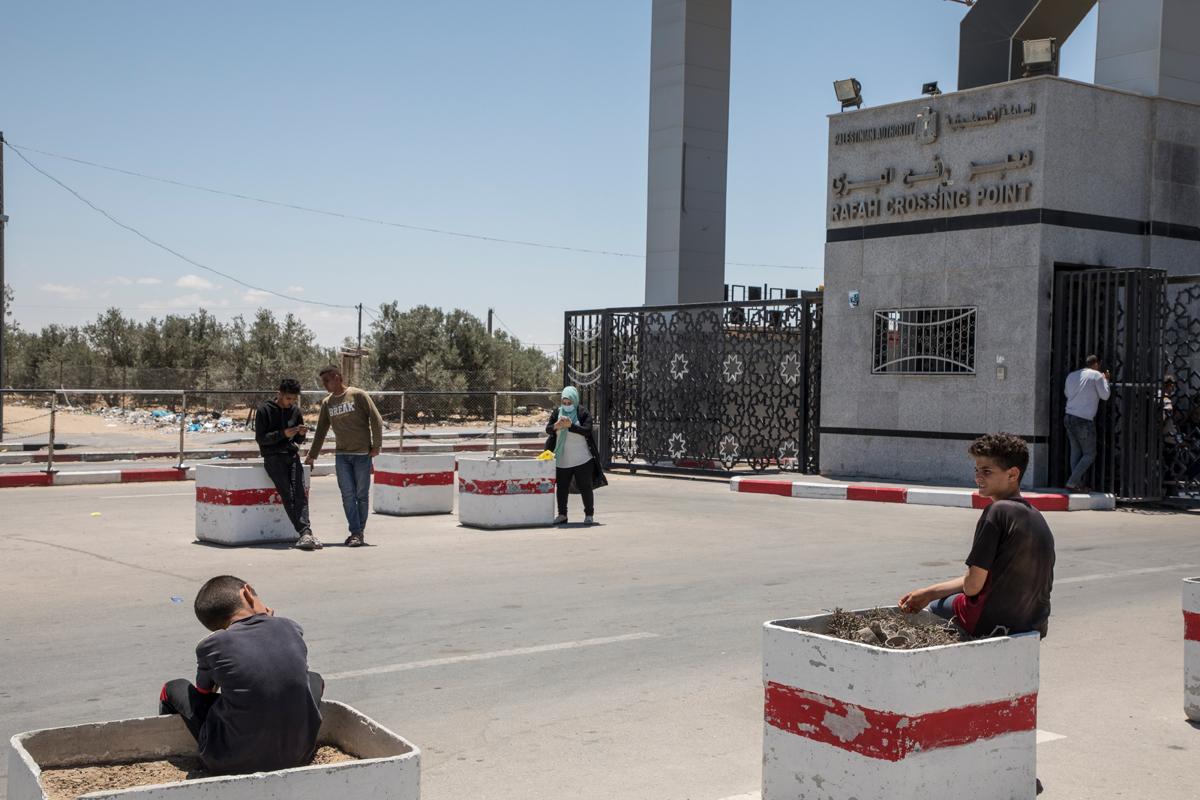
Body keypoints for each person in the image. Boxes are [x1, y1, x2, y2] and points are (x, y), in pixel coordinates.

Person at [158, 576, 323, 775]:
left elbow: (204, 692)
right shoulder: (291, 627)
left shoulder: (212, 645)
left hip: (227, 761)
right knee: (313, 679)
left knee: (173, 687)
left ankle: (171, 747)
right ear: (247, 592)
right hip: (300, 753)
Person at [899, 432, 1056, 639]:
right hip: (1032, 622)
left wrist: (931, 598)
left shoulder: (997, 512)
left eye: (987, 471)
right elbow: (982, 578)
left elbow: (973, 587)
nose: (977, 477)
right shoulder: (1036, 516)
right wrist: (929, 592)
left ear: (1012, 474)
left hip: (990, 622)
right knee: (938, 598)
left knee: (934, 610)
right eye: (976, 470)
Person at [304, 365, 383, 547]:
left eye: (327, 380)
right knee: (347, 495)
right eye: (323, 381)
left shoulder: (358, 395)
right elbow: (321, 431)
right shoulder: (327, 403)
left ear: (337, 377)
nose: (325, 384)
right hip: (342, 456)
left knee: (361, 495)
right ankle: (355, 532)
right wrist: (312, 455)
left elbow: (376, 419)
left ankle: (358, 533)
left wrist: (376, 445)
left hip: (362, 453)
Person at [255, 379, 319, 551]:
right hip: (273, 458)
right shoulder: (264, 410)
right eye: (288, 399)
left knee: (300, 494)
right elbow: (261, 439)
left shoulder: (295, 411)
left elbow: (297, 440)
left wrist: (301, 434)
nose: (291, 403)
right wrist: (282, 434)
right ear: (280, 394)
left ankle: (306, 533)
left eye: (293, 399)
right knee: (287, 494)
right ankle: (305, 532)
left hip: (292, 456)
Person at [545, 386, 607, 525]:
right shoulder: (557, 413)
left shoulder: (582, 412)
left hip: (582, 459)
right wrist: (556, 426)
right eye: (564, 403)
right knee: (561, 488)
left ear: (575, 401)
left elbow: (587, 430)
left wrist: (570, 425)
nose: (566, 406)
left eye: (569, 403)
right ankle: (562, 515)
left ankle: (589, 514)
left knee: (585, 486)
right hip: (562, 459)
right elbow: (548, 429)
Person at [1063, 354, 1111, 493]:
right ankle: (1072, 482)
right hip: (1083, 419)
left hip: (1069, 416)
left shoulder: (1072, 375)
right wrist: (1106, 380)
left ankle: (1076, 484)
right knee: (1090, 454)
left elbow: (1067, 393)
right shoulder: (1097, 375)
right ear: (1097, 364)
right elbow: (1105, 395)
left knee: (1076, 452)